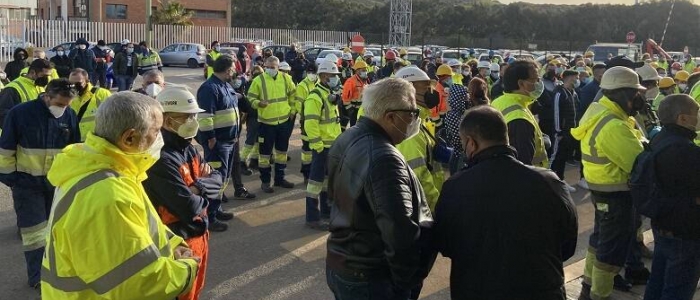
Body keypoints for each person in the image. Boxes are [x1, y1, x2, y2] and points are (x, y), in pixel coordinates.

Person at [41, 91, 199, 299]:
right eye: (156, 130)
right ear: (130, 137)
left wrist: (172, 244)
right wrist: (188, 268)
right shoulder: (109, 195)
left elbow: (143, 227)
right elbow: (138, 283)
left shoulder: (105, 169)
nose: (160, 138)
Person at [434, 105, 578, 300]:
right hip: (543, 289)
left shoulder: (455, 187)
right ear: (505, 136)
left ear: (470, 143)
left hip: (476, 291)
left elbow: (446, 245)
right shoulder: (549, 182)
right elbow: (568, 243)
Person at [326, 78, 434, 299]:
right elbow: (399, 231)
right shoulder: (384, 158)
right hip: (371, 275)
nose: (415, 119)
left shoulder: (347, 137)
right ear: (391, 117)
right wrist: (406, 283)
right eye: (412, 113)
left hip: (344, 260)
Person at [571, 66, 648, 300]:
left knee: (599, 242)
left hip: (602, 191)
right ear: (622, 93)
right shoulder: (613, 125)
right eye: (635, 92)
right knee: (611, 253)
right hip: (617, 195)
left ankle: (589, 287)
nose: (639, 97)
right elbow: (639, 164)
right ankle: (600, 295)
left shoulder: (600, 111)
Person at [144, 87, 222, 300]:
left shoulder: (188, 147)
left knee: (194, 292)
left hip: (199, 236)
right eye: (187, 117)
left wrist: (197, 188)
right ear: (167, 120)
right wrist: (204, 188)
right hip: (177, 244)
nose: (193, 121)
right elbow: (187, 207)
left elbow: (218, 179)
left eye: (194, 116)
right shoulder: (160, 159)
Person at [0, 79, 79, 288]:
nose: (63, 109)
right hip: (27, 185)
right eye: (60, 104)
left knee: (56, 232)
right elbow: (5, 149)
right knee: (35, 234)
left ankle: (55, 273)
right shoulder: (20, 114)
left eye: (67, 105)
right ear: (47, 96)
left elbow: (73, 150)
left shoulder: (69, 115)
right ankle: (38, 279)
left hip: (57, 184)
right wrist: (12, 180)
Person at [642, 95, 700, 300]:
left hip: (662, 225)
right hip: (685, 232)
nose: (698, 118)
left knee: (657, 282)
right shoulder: (685, 150)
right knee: (678, 290)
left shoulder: (659, 138)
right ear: (682, 118)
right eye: (696, 114)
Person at [196, 55, 253, 232]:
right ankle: (210, 217)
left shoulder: (224, 85)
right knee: (215, 179)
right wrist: (211, 138)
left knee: (223, 178)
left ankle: (216, 208)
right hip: (218, 142)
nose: (235, 72)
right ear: (228, 70)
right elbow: (205, 117)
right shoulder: (209, 88)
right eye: (233, 69)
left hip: (229, 140)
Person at [394, 66, 444, 210]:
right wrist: (437, 208)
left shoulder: (416, 121)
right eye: (426, 88)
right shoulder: (408, 128)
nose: (431, 92)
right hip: (423, 210)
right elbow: (418, 178)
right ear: (409, 90)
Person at [248, 56, 297, 193]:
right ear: (264, 66)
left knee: (282, 152)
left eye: (273, 67)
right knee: (264, 155)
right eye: (267, 67)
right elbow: (250, 97)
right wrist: (258, 103)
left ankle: (280, 179)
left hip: (283, 122)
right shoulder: (259, 80)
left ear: (278, 67)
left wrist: (292, 111)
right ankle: (265, 182)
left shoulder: (286, 78)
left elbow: (294, 95)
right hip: (266, 124)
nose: (270, 69)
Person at [302, 61, 342, 230]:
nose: (336, 79)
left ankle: (326, 210)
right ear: (324, 76)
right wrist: (318, 146)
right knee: (315, 183)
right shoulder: (315, 97)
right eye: (333, 76)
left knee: (327, 181)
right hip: (322, 148)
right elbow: (310, 124)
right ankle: (312, 217)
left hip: (331, 146)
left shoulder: (328, 95)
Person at [491, 59, 549, 167]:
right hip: (531, 178)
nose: (539, 83)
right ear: (521, 83)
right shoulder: (520, 119)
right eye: (535, 79)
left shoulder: (500, 101)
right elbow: (523, 165)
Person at [550, 69, 580, 193]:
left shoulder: (573, 92)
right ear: (568, 78)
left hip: (570, 132)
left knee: (562, 158)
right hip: (560, 133)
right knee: (554, 157)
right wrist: (559, 131)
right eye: (575, 77)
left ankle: (560, 181)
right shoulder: (559, 93)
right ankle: (548, 181)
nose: (577, 80)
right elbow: (556, 113)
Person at [0, 59, 53, 127]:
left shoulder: (40, 86)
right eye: (44, 76)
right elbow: (4, 115)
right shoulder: (12, 89)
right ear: (32, 72)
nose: (47, 79)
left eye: (49, 76)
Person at [68, 68, 112, 142]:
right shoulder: (68, 96)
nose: (74, 86)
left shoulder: (102, 94)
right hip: (76, 141)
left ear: (87, 81)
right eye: (71, 84)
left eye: (78, 83)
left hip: (96, 140)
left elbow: (113, 117)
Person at [294, 64, 318, 183]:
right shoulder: (302, 86)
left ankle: (314, 172)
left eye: (313, 72)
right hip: (306, 121)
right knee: (307, 149)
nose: (311, 74)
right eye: (309, 72)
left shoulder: (319, 83)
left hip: (319, 121)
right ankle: (306, 172)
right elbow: (299, 105)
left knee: (317, 148)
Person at [240, 66, 264, 172]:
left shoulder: (249, 83)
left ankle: (254, 160)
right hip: (254, 116)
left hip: (257, 116)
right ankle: (242, 161)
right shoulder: (254, 84)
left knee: (258, 140)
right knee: (251, 140)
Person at [341, 60, 369, 128]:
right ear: (357, 71)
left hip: (361, 109)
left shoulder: (364, 80)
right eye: (363, 70)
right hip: (353, 109)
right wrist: (350, 109)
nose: (365, 71)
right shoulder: (351, 81)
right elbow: (345, 96)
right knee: (354, 127)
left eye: (365, 70)